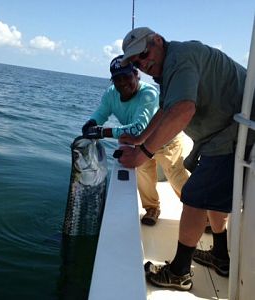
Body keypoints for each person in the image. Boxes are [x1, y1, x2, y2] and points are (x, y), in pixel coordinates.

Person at [117, 27, 255, 290]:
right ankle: (220, 255)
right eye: (136, 62)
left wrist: (142, 154)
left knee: (194, 196)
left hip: (234, 132)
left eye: (143, 54)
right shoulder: (171, 65)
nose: (143, 64)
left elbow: (183, 110)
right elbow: (166, 109)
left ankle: (180, 272)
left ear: (157, 40)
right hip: (223, 133)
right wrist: (138, 140)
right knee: (210, 195)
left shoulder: (179, 59)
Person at [82, 54, 189, 226]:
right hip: (140, 143)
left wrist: (102, 132)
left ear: (137, 74)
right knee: (144, 175)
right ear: (112, 81)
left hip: (166, 140)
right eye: (118, 79)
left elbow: (138, 128)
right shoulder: (111, 94)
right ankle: (152, 208)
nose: (123, 83)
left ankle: (200, 211)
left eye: (127, 77)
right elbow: (101, 113)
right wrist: (92, 123)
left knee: (176, 175)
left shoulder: (149, 94)